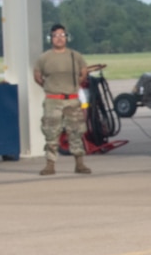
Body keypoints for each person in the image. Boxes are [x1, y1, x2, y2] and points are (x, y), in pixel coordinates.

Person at [32, 24, 104, 176]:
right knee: (51, 133)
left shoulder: (75, 56)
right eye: (56, 35)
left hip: (72, 100)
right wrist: (50, 87)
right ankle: (50, 164)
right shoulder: (44, 58)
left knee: (76, 132)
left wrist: (76, 84)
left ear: (67, 37)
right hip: (53, 100)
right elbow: (37, 76)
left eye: (62, 35)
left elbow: (83, 72)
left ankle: (79, 163)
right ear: (50, 38)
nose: (59, 38)